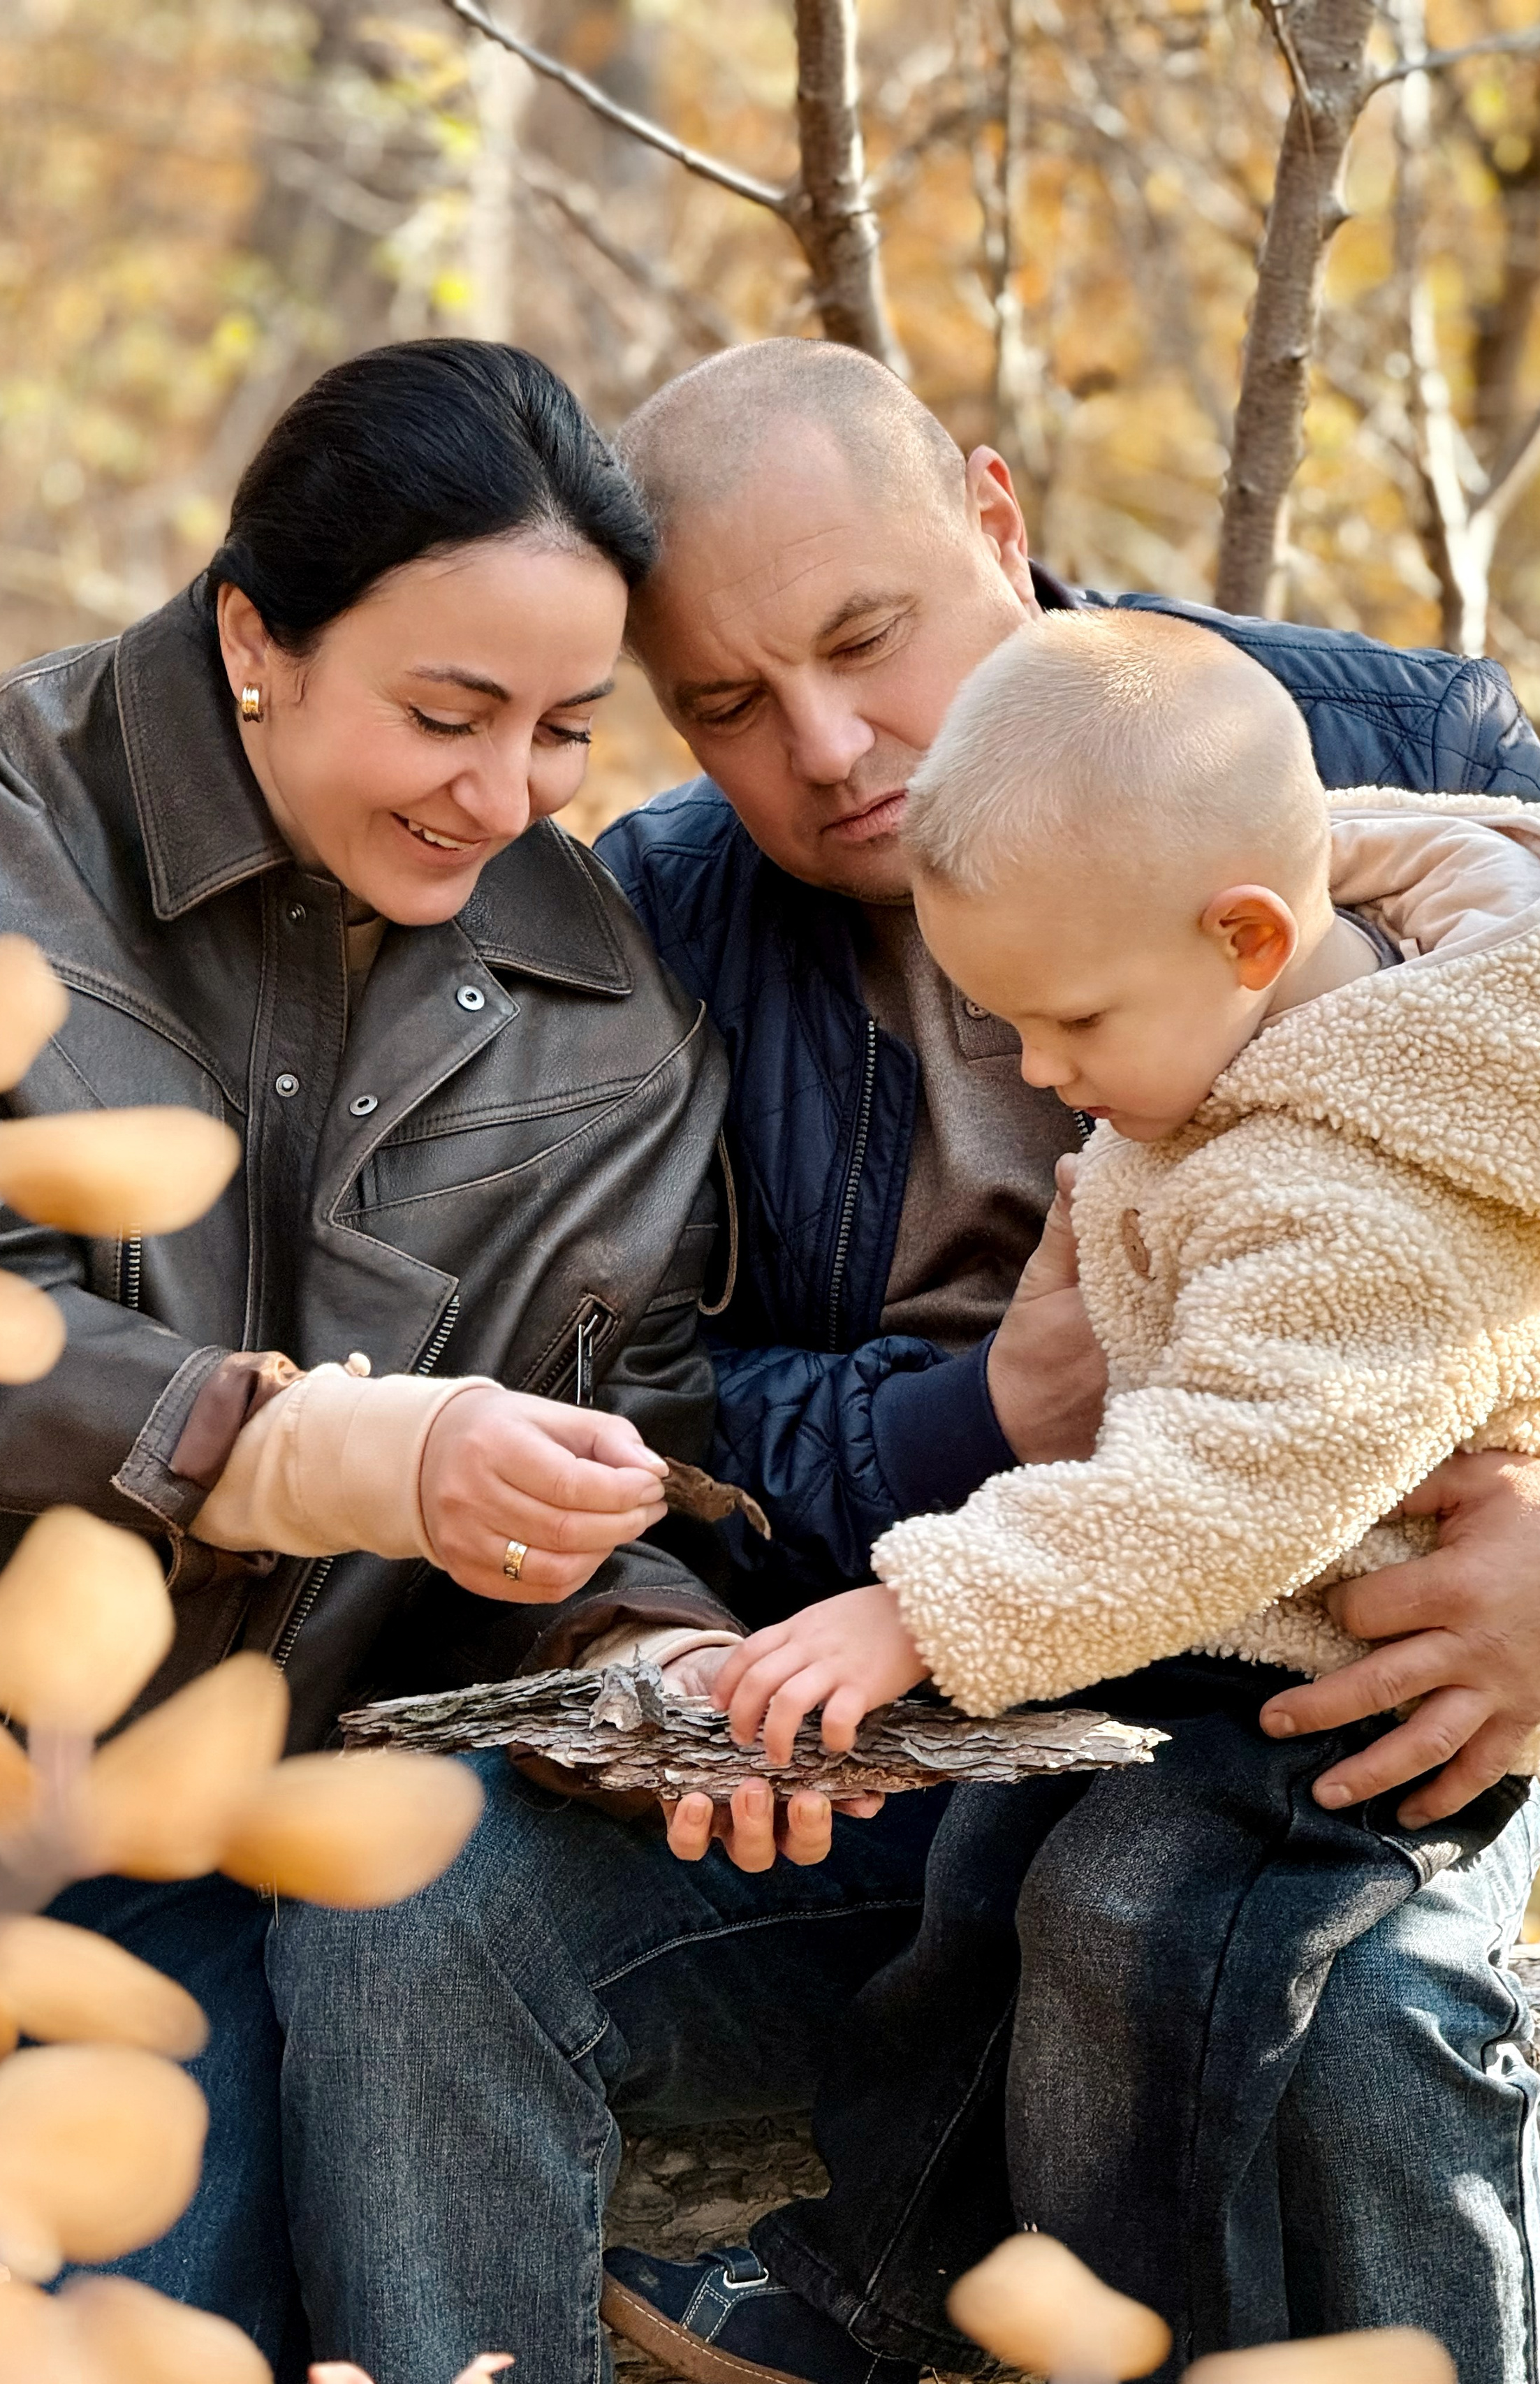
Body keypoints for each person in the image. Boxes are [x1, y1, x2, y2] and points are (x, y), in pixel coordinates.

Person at [272, 339, 1540, 2384]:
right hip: (894, 1720)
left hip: (1342, 1683)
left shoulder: (1393, 756)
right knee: (399, 1901)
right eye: (723, 706)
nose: (829, 745)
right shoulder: (646, 926)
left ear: (994, 518)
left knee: (1345, 1999)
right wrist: (942, 1450)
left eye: (866, 638)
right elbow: (620, 1403)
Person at [0, 337, 738, 2376]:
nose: (506, 795)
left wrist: (639, 1659)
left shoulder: (611, 1023)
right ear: (254, 637)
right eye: (445, 716)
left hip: (228, 1830)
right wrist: (319, 1451)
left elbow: (631, 1454)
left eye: (566, 730)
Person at [716, 605, 1540, 1746]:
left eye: (1076, 1020)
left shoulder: (1353, 1200)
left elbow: (1225, 1497)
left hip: (1332, 1693)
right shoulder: (1250, 967)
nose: (1041, 1068)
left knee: (1128, 1866)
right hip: (1179, 1624)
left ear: (1248, 940)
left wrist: (926, 1612)